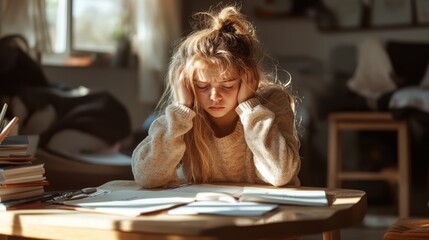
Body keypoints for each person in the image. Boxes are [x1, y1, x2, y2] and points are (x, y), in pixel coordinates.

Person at [132, 5, 301, 189]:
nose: (215, 96)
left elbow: (281, 175)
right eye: (202, 86)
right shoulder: (187, 114)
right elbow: (146, 177)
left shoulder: (272, 102)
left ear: (247, 78)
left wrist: (250, 107)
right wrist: (182, 110)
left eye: (227, 85)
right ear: (188, 84)